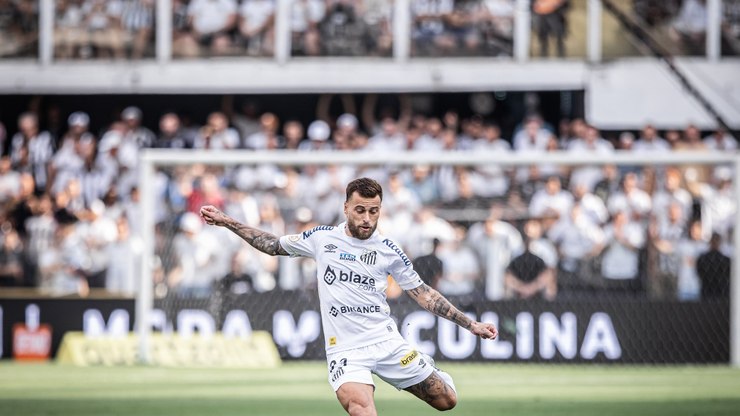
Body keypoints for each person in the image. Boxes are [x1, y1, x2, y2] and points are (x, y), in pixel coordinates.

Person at [200, 177, 497, 415]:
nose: (367, 218)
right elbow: (272, 244)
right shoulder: (322, 238)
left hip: (386, 342)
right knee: (360, 407)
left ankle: (430, 368)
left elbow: (424, 294)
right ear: (345, 208)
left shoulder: (389, 251)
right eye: (360, 210)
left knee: (446, 401)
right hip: (345, 351)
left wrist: (470, 325)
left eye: (374, 211)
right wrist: (228, 221)